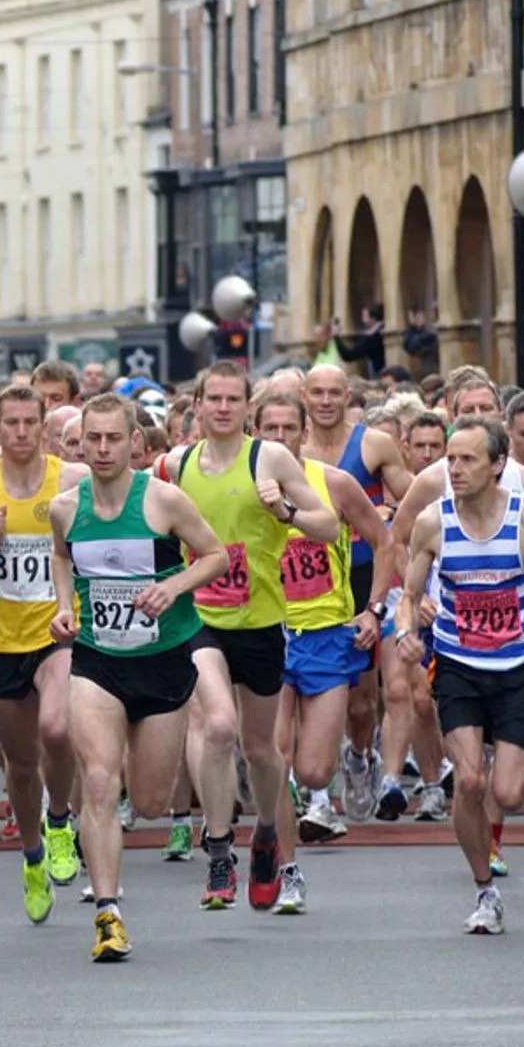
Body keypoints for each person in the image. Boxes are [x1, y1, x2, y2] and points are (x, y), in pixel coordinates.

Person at [50, 394, 228, 959]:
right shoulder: (65, 508)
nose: (101, 450)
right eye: (91, 440)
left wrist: (172, 587)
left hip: (163, 657)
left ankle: (161, 801)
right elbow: (61, 556)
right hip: (97, 660)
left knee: (149, 801)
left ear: (134, 443)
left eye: (112, 439)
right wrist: (63, 606)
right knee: (100, 781)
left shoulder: (163, 501)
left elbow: (216, 556)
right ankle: (108, 914)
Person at [398, 416, 524, 935]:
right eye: (449, 460)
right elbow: (410, 595)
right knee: (472, 783)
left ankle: (491, 850)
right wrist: (405, 631)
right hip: (456, 663)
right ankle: (485, 890)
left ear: (498, 465)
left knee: (509, 792)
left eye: (466, 459)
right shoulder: (433, 523)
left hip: (519, 666)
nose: (453, 469)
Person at [169, 361, 340, 911]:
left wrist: (285, 511)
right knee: (217, 725)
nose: (222, 407)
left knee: (261, 748)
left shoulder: (270, 457)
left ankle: (267, 829)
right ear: (196, 406)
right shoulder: (177, 465)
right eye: (212, 398)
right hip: (200, 620)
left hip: (262, 620)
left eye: (232, 399)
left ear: (248, 406)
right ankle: (219, 851)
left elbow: (330, 526)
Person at [0, 376, 89, 923]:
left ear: (46, 428)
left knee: (57, 729)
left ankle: (60, 823)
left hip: (58, 632)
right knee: (22, 762)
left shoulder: (71, 481)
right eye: (12, 423)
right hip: (0, 639)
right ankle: (33, 855)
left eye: (33, 422)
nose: (23, 432)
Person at [255, 393, 392, 855]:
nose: (278, 438)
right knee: (275, 755)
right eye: (269, 429)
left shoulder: (333, 484)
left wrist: (373, 609)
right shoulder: (241, 489)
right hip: (267, 633)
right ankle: (281, 860)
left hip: (327, 634)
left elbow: (384, 540)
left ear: (303, 432)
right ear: (256, 434)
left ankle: (358, 759)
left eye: (287, 429)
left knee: (314, 770)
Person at [299, 365, 413, 811]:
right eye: (317, 393)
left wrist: (389, 515)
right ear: (305, 397)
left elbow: (409, 496)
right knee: (308, 690)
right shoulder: (292, 450)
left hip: (360, 574)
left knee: (362, 700)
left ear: (348, 397)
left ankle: (359, 756)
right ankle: (316, 793)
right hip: (308, 580)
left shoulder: (372, 444)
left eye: (334, 393)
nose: (326, 402)